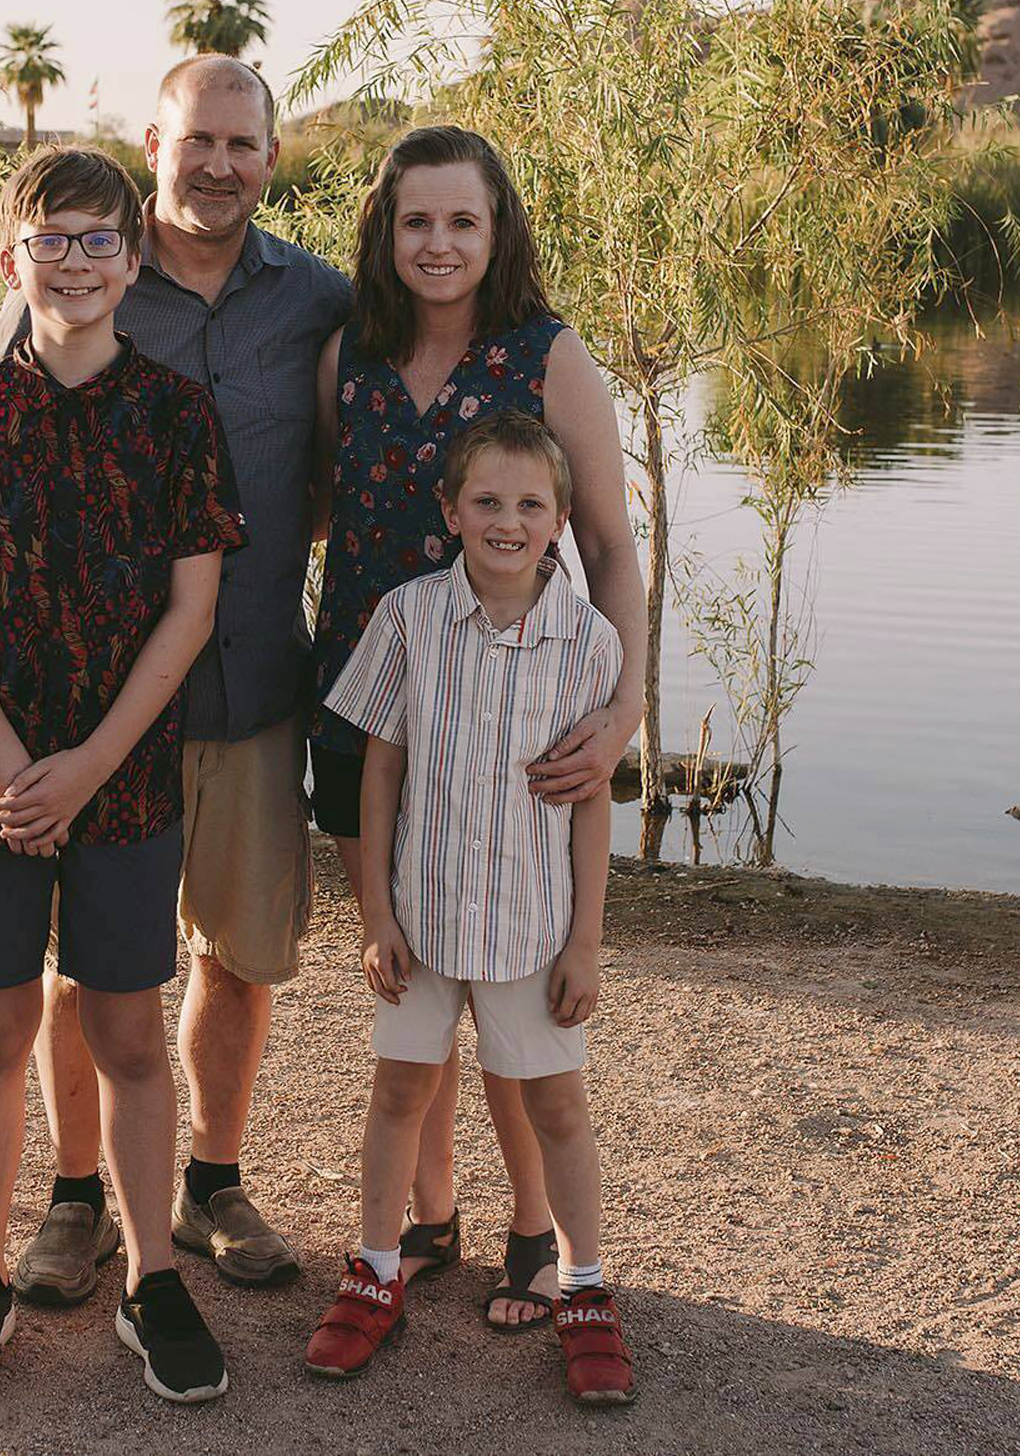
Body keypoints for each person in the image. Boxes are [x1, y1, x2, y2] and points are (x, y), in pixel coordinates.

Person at [0, 55, 351, 1301]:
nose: (221, 165)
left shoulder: (317, 302)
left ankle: (211, 1184)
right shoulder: (85, 270)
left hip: (246, 683)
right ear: (155, 142)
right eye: (200, 140)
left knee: (237, 955)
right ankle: (76, 1196)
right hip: (90, 707)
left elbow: (358, 469)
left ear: (272, 157)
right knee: (87, 970)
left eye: (244, 144)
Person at [0, 145, 247, 1405]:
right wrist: (10, 767)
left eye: (102, 239)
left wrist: (88, 767)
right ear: (16, 259)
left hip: (128, 778)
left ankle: (152, 1278)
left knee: (125, 1030)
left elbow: (190, 613)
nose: (79, 260)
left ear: (134, 259)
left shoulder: (174, 417)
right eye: (54, 238)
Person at [309, 125, 647, 1330]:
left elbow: (606, 544)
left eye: (461, 220)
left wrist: (620, 712)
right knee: (415, 965)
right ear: (383, 230)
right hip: (373, 695)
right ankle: (423, 1217)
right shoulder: (349, 352)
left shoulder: (546, 359)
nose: (437, 243)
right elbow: (316, 508)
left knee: (510, 976)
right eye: (415, 220)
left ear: (495, 229)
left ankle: (533, 1231)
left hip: (518, 712)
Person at [305, 412, 637, 1404]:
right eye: (485, 502)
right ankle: (373, 1268)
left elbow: (586, 802)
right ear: (449, 510)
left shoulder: (587, 641)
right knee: (400, 1090)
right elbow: (378, 772)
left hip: (532, 928)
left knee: (556, 1107)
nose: (506, 521)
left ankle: (579, 1287)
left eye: (528, 505)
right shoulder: (408, 616)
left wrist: (584, 941)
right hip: (421, 917)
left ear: (559, 519)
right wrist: (375, 914)